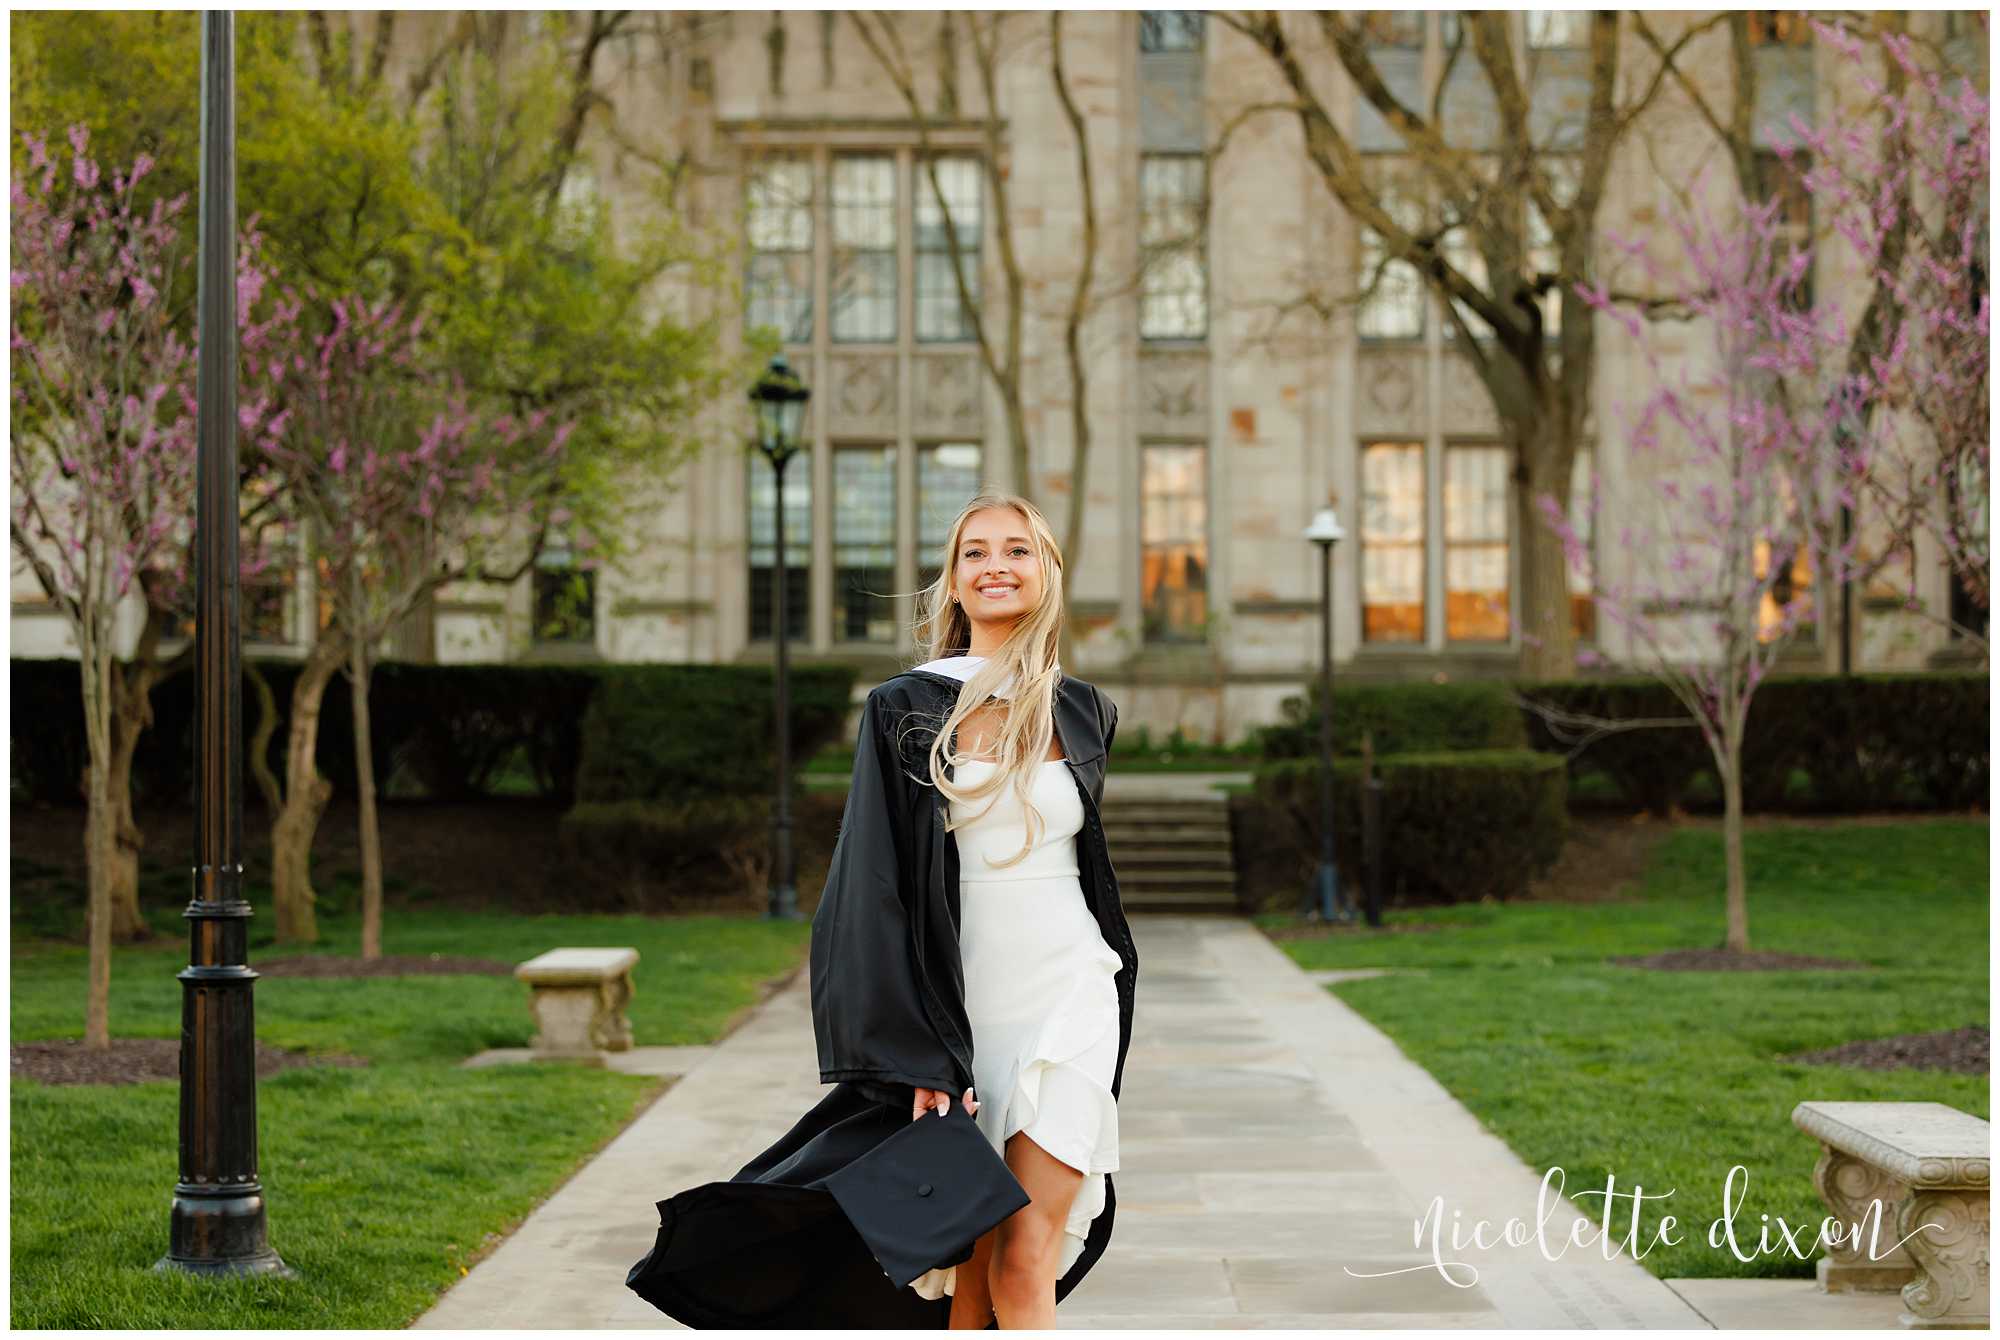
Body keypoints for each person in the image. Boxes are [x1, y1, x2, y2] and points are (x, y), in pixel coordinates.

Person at [627, 492, 1137, 1329]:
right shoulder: (905, 708)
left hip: (1072, 990)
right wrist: (913, 1054)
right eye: (975, 553)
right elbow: (869, 890)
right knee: (970, 1248)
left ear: (1046, 574)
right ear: (954, 582)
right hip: (960, 1007)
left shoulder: (1083, 711)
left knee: (1029, 1246)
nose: (996, 566)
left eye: (1016, 550)